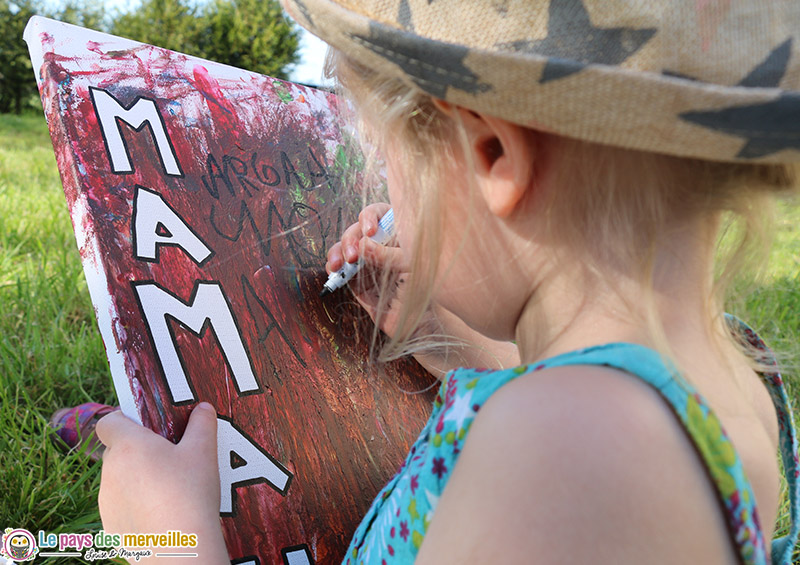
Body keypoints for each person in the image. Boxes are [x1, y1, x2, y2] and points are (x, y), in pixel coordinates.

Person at [92, 1, 800, 563]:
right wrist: (465, 346)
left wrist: (172, 540)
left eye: (388, 162)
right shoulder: (729, 376)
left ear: (493, 154)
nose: (385, 196)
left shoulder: (570, 450)